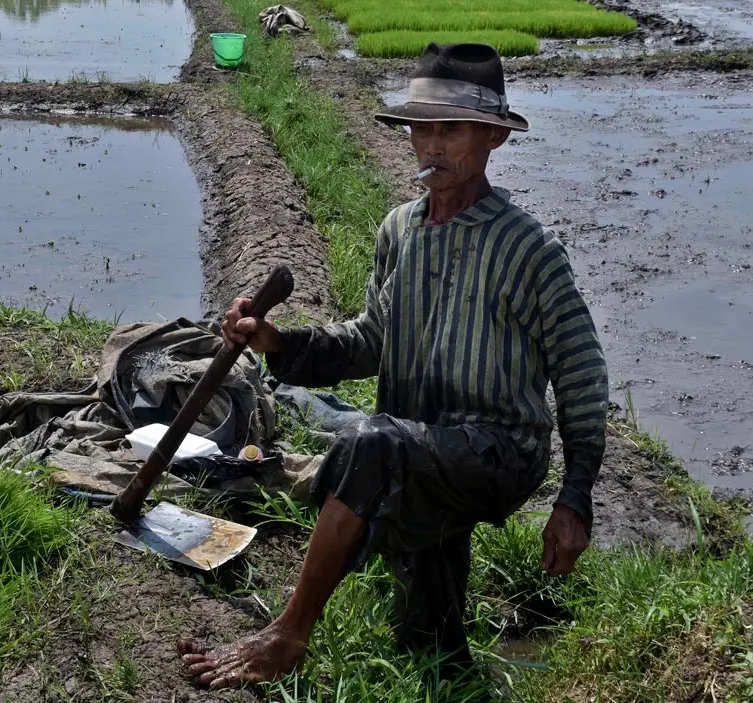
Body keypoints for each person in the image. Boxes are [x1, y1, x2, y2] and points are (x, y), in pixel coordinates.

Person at [178, 41, 609, 694]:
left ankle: (287, 634)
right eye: (420, 128)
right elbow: (366, 342)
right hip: (419, 437)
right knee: (426, 644)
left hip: (498, 450)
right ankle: (447, 662)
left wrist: (573, 499)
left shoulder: (529, 250)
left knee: (369, 444)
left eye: (451, 130)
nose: (431, 145)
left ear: (494, 137)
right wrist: (275, 342)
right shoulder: (399, 231)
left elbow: (582, 379)